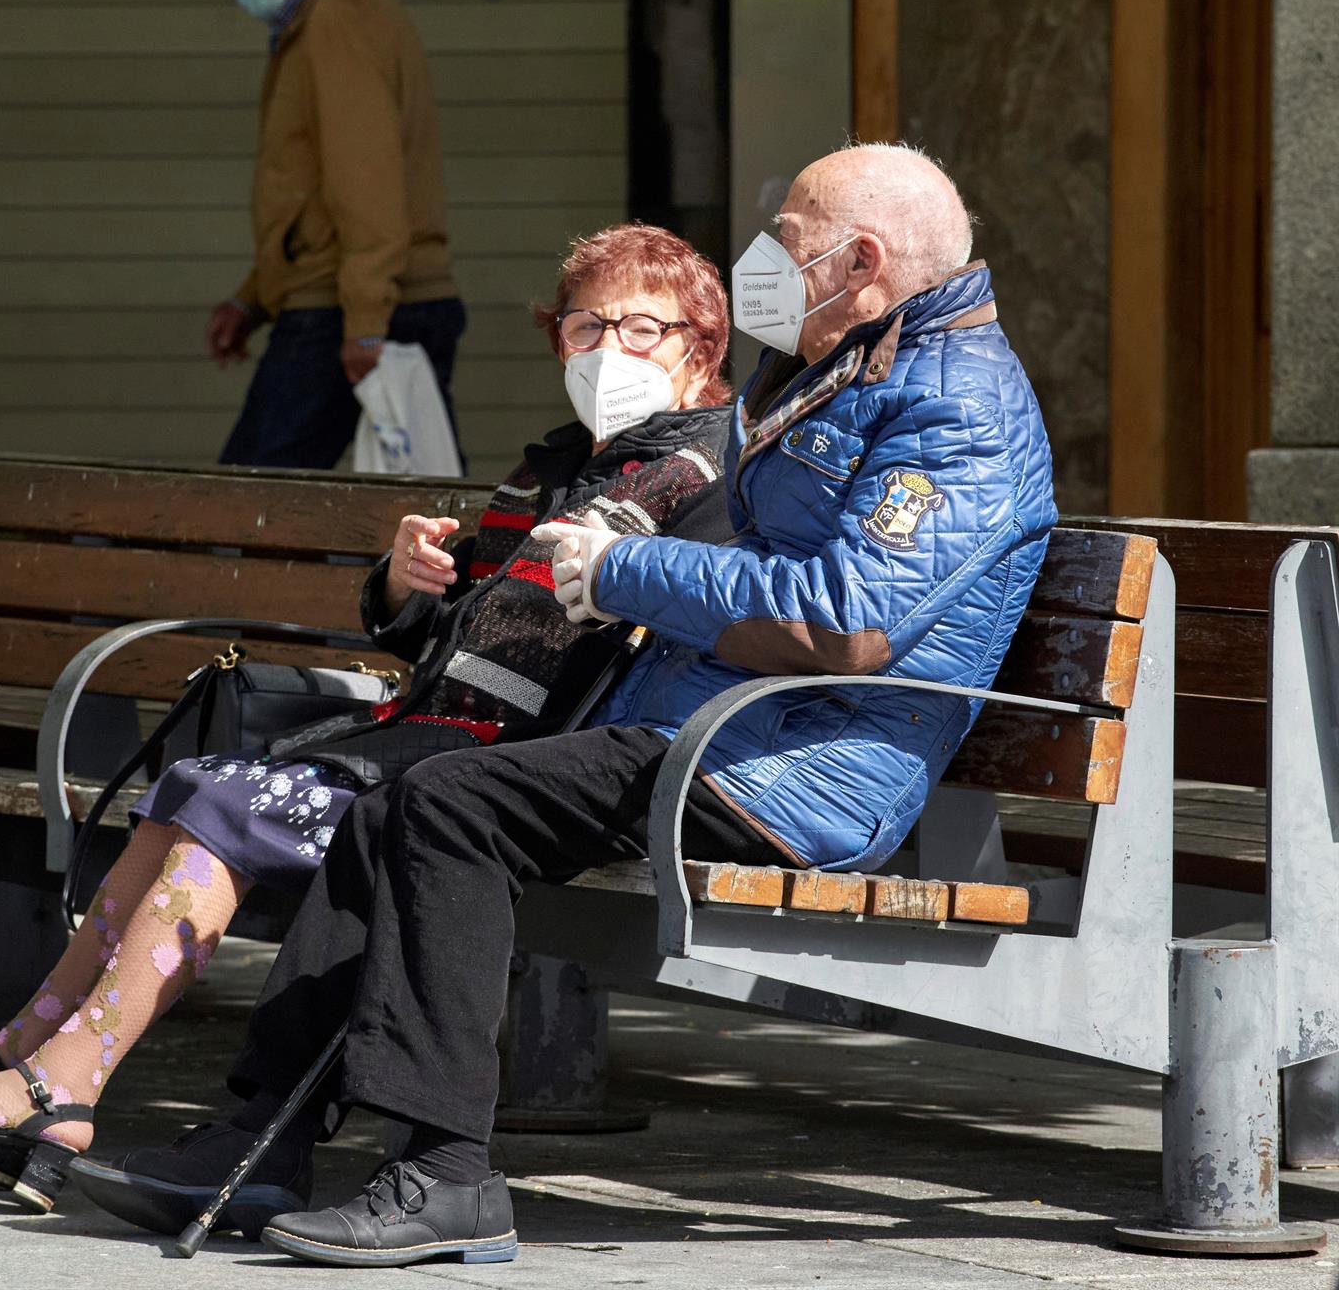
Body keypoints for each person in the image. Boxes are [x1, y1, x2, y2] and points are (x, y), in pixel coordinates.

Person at [71, 144, 1059, 1268]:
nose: (765, 262)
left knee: (446, 810)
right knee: (398, 805)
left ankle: (445, 1174)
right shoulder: (851, 364)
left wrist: (622, 571)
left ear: (863, 261)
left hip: (793, 771)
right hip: (708, 729)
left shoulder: (957, 405)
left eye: (787, 240)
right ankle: (261, 1140)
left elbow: (846, 623)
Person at [0, 224, 733, 1215]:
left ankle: (63, 1082)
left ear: (701, 345)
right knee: (191, 788)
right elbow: (465, 631)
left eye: (642, 328)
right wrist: (405, 584)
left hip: (499, 772)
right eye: (586, 325)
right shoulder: (551, 469)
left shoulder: (702, 476)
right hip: (428, 733)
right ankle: (21, 1057)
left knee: (231, 802)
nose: (609, 349)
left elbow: (641, 640)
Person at [207, 0, 464, 468]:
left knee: (247, 500)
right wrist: (253, 299)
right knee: (420, 497)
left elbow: (364, 179)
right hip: (367, 299)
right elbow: (312, 196)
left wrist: (367, 322)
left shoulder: (336, 21)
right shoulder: (350, 13)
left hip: (345, 311)